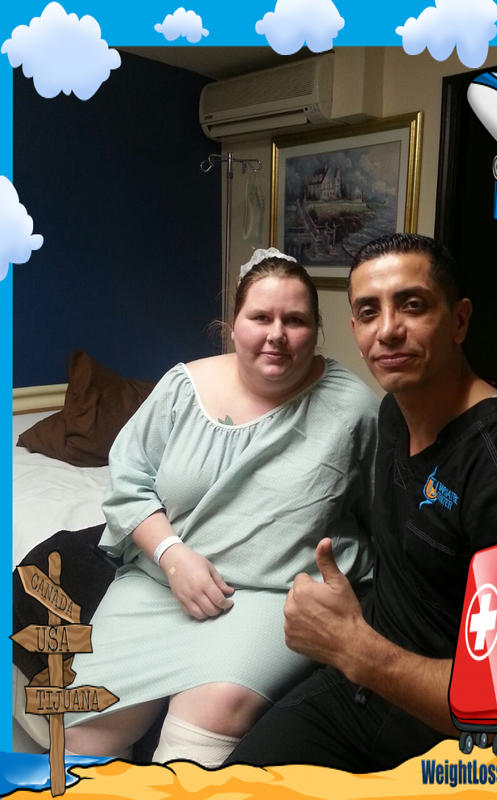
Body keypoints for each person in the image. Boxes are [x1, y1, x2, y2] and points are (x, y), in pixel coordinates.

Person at [226, 233, 497, 772]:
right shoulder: (393, 413)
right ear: (355, 329)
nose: (388, 329)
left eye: (412, 305)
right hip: (362, 689)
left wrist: (355, 650)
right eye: (369, 312)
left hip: (455, 741)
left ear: (459, 321)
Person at [62, 248, 379, 766]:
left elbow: (382, 516)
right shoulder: (182, 388)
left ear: (317, 330)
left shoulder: (355, 410)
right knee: (84, 732)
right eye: (261, 317)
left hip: (272, 595)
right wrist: (172, 556)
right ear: (233, 326)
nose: (277, 334)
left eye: (295, 320)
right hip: (161, 582)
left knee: (203, 725)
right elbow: (128, 482)